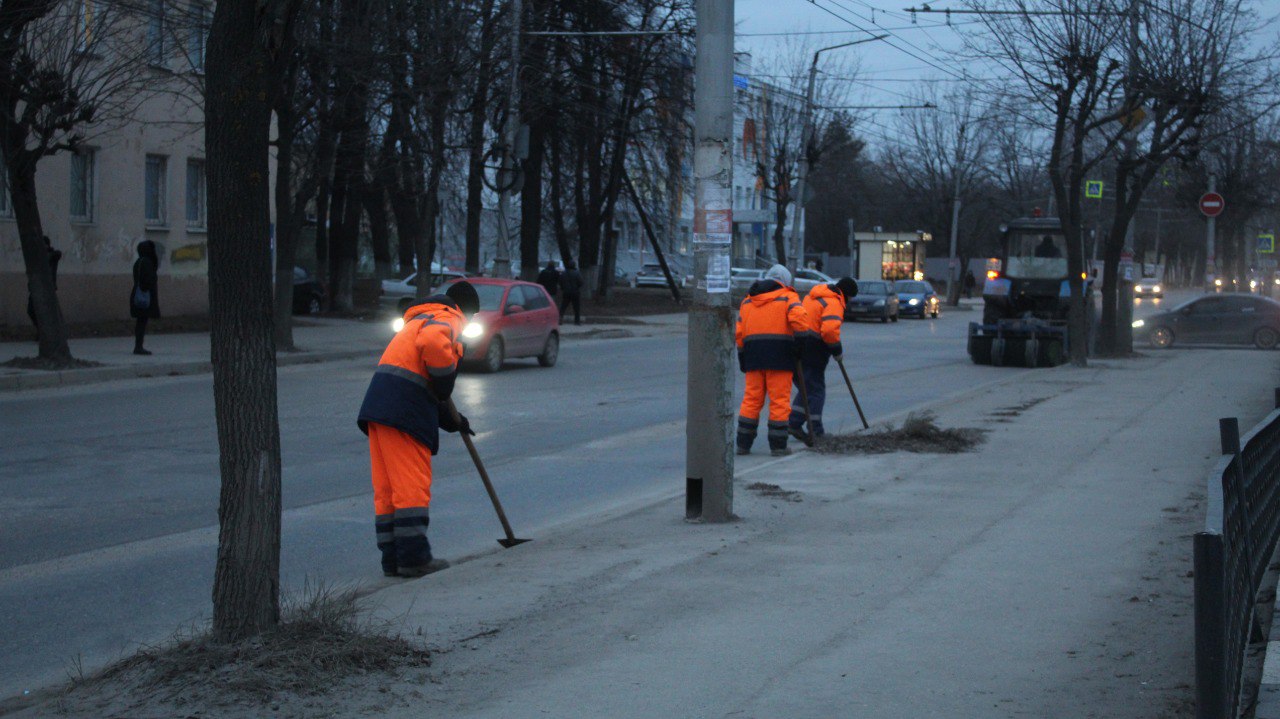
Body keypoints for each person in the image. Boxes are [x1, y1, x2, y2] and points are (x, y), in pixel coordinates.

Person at [357, 281, 480, 578]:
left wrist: (454, 420)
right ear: (467, 311)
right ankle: (414, 559)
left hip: (380, 408)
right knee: (412, 485)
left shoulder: (419, 319)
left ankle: (393, 560)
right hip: (404, 412)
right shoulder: (447, 316)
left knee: (388, 491)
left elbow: (418, 379)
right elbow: (435, 347)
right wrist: (445, 379)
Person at [735, 264, 810, 457]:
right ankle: (778, 446)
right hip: (780, 356)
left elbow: (739, 333)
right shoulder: (788, 297)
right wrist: (800, 347)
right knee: (779, 401)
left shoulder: (747, 301)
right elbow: (800, 323)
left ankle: (743, 444)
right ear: (785, 281)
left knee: (751, 399)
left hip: (753, 355)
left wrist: (742, 356)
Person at [789, 277, 857, 441]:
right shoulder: (834, 302)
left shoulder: (813, 297)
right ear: (846, 295)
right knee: (816, 391)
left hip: (796, 345)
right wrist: (837, 351)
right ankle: (817, 431)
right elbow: (829, 331)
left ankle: (794, 423)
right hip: (813, 350)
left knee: (807, 389)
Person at [129, 240, 160, 355]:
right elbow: (148, 279)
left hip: (138, 294)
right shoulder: (147, 262)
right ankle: (139, 346)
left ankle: (138, 345)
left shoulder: (139, 261)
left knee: (140, 322)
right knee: (142, 322)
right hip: (144, 296)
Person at [27, 235, 62, 328]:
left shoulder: (52, 255)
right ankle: (41, 330)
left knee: (49, 311)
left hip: (48, 288)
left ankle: (49, 331)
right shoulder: (36, 256)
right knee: (31, 310)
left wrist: (46, 253)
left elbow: (58, 254)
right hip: (36, 287)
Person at [559, 260, 583, 325]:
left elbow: (560, 282)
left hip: (566, 292)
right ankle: (577, 321)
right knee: (576, 308)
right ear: (574, 265)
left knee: (563, 306)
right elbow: (581, 282)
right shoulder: (577, 273)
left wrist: (563, 288)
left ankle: (560, 319)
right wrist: (577, 287)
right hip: (575, 292)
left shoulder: (563, 273)